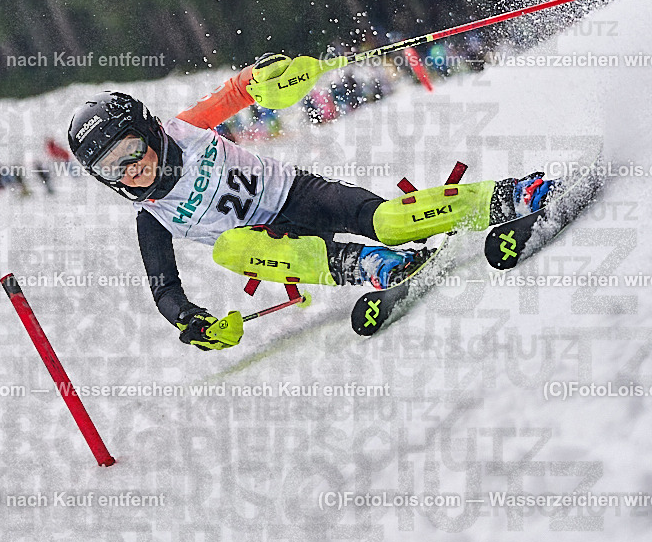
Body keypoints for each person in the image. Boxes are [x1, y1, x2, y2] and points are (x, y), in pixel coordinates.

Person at [66, 54, 558, 351]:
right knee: (228, 249)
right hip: (282, 247)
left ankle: (509, 196)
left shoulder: (186, 128)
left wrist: (267, 79)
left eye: (131, 150)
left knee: (389, 219)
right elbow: (165, 290)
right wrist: (193, 323)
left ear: (149, 131)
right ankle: (368, 265)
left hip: (300, 194)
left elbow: (238, 91)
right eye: (113, 168)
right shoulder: (151, 217)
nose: (131, 169)